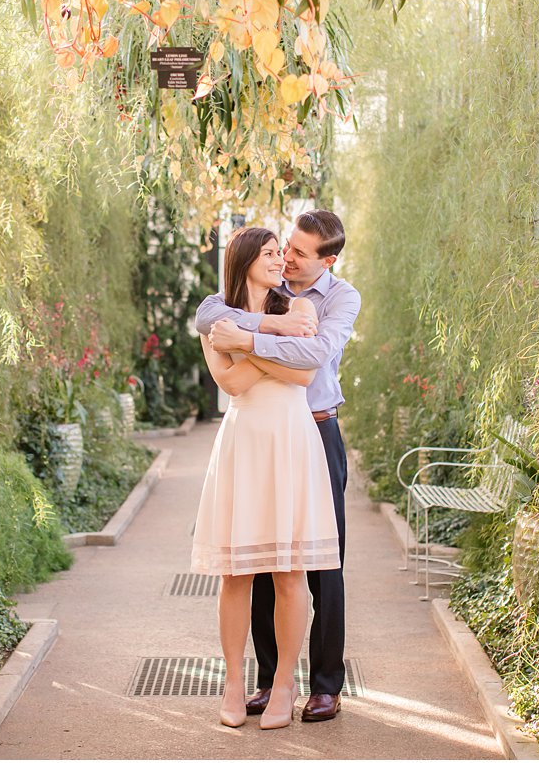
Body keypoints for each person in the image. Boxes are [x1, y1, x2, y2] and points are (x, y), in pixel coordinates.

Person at [196, 209, 361, 724]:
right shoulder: (229, 306)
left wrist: (244, 342)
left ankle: (322, 685)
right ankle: (266, 682)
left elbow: (310, 362)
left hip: (312, 430)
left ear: (326, 259)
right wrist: (274, 335)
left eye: (295, 252)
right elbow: (226, 368)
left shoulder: (332, 299)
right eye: (279, 249)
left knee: (319, 562)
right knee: (251, 567)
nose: (286, 258)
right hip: (248, 440)